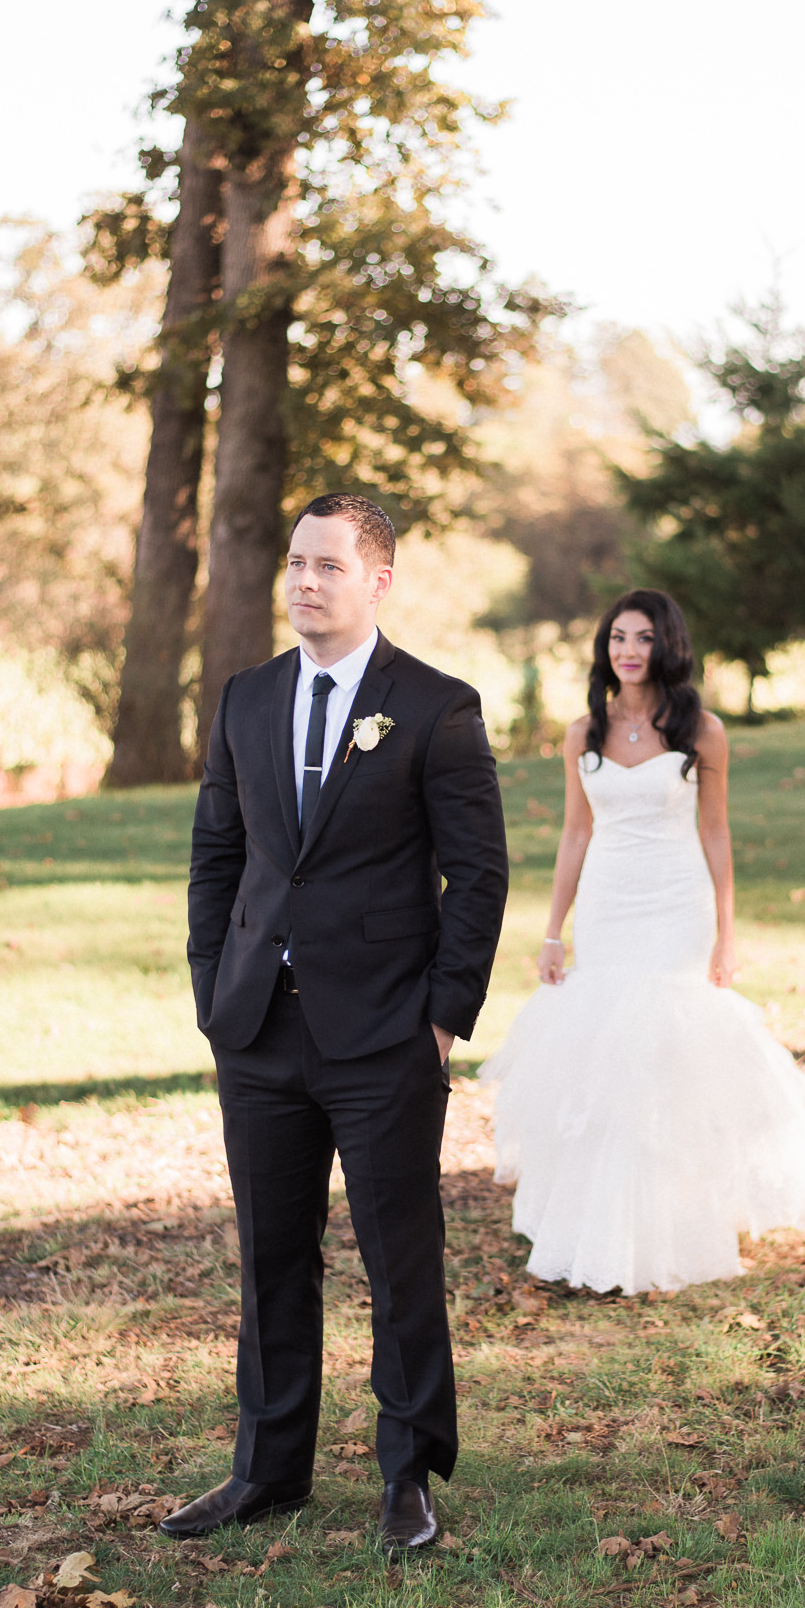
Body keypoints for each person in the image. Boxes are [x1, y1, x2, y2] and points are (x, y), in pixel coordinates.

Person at [162, 493, 509, 1552]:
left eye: (327, 566)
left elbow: (479, 872)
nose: (305, 581)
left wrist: (442, 1017)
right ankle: (267, 1471)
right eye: (295, 563)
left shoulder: (436, 707)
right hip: (259, 1030)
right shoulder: (246, 698)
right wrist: (214, 990)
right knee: (273, 1255)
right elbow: (217, 854)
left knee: (400, 1259)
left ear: (378, 581)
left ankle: (409, 1473)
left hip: (384, 1036)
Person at [487, 588, 805, 1296]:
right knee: (607, 1057)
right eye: (616, 639)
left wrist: (728, 933)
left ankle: (677, 1230)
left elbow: (716, 831)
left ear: (667, 645)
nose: (628, 652)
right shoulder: (583, 732)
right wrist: (551, 933)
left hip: (675, 903)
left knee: (668, 1052)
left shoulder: (704, 730)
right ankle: (599, 1236)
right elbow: (576, 833)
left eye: (641, 639)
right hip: (608, 903)